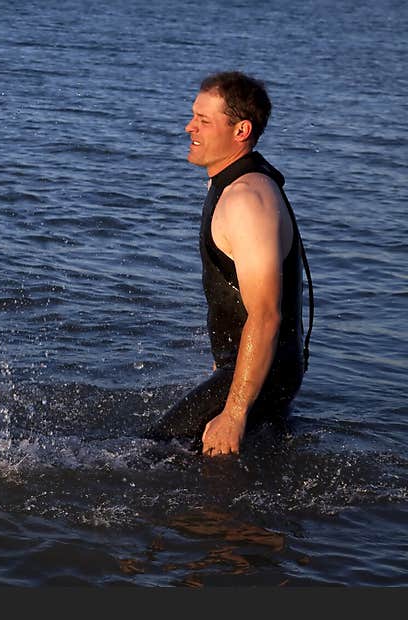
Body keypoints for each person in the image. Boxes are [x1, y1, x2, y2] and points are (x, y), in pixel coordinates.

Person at [149, 71, 313, 457]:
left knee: (149, 455)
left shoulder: (246, 199)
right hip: (254, 367)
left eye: (204, 121)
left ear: (241, 130)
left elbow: (267, 314)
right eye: (194, 115)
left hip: (267, 371)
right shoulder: (226, 183)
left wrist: (234, 411)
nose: (190, 127)